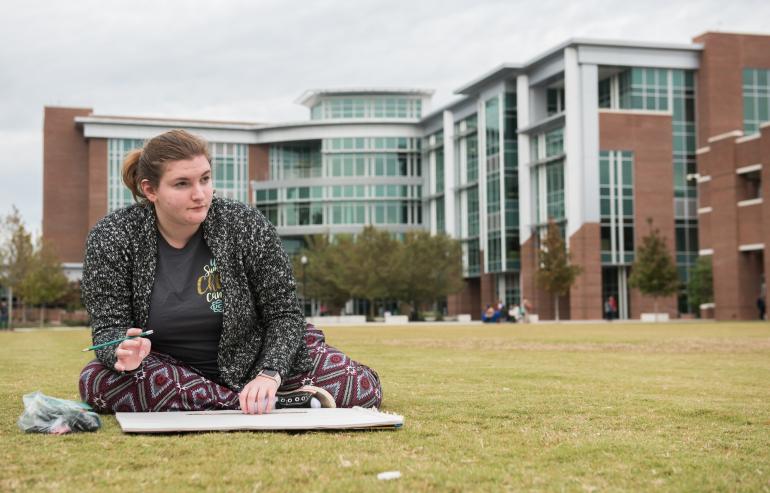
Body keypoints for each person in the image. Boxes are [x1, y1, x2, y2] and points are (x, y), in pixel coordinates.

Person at [78, 130, 381, 415]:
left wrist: (270, 373)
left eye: (205, 179)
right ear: (150, 189)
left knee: (361, 386)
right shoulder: (112, 236)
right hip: (167, 369)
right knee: (96, 382)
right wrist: (122, 349)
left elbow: (284, 315)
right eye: (182, 184)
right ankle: (267, 404)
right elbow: (107, 330)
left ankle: (257, 396)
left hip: (254, 359)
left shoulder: (244, 223)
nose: (200, 194)